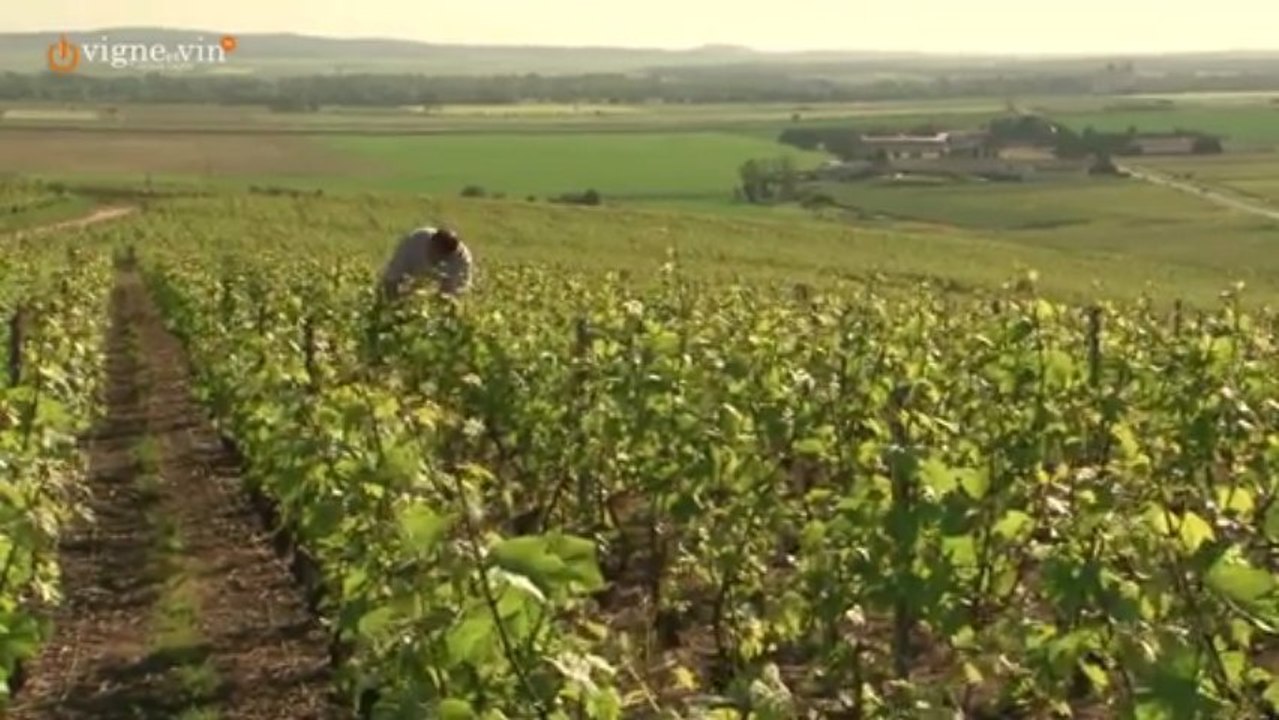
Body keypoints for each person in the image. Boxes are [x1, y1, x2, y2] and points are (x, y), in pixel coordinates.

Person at [379, 225, 473, 301]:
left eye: (441, 256)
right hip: (407, 284)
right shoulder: (414, 242)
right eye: (434, 251)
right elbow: (391, 278)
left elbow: (456, 295)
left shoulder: (462, 260)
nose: (436, 258)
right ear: (430, 243)